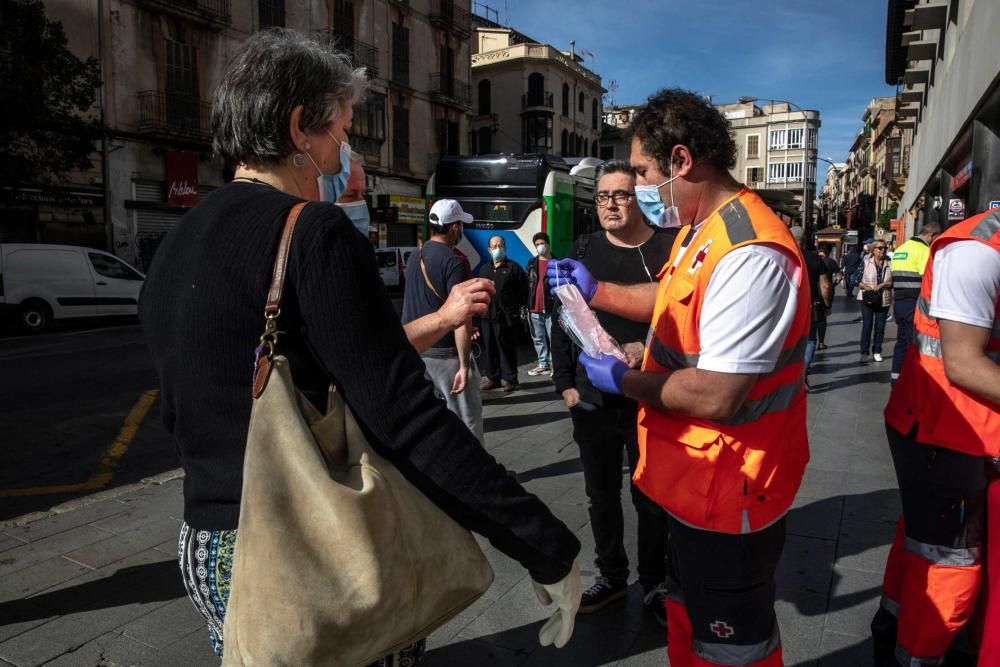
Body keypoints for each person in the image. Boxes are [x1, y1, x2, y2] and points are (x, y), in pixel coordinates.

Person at [138, 29, 581, 661]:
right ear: (300, 129)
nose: (343, 151)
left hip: (209, 548)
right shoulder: (312, 232)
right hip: (304, 544)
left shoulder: (178, 240)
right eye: (341, 134)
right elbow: (405, 415)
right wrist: (544, 544)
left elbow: (181, 406)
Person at [550, 88, 810, 667]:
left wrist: (621, 378)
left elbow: (717, 394)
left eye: (642, 171)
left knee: (733, 652)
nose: (639, 185)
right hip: (696, 484)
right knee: (692, 637)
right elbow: (669, 295)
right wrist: (598, 290)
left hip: (734, 487)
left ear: (682, 161)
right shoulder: (701, 228)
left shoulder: (749, 252)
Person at [872, 208, 1000, 666]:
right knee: (949, 566)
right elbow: (963, 364)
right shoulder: (977, 251)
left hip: (956, 432)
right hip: (943, 434)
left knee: (925, 548)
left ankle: (891, 639)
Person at [550, 159, 674, 626]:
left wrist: (646, 347)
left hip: (648, 395)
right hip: (593, 398)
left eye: (620, 195)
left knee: (650, 493)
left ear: (639, 198)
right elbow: (562, 319)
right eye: (603, 197)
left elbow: (685, 319)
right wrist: (565, 385)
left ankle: (656, 580)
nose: (610, 205)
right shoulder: (583, 249)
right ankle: (611, 574)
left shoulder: (667, 249)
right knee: (600, 494)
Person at [402, 199, 484, 443]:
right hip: (446, 355)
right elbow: (460, 319)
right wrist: (464, 365)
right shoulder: (454, 262)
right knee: (467, 419)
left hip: (417, 349)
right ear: (455, 228)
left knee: (428, 422)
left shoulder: (414, 256)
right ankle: (476, 476)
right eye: (460, 226)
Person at [889, 222, 941, 383]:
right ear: (932, 235)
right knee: (915, 343)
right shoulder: (925, 251)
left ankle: (896, 376)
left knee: (902, 340)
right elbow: (929, 279)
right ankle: (910, 379)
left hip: (898, 302)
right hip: (914, 302)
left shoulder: (901, 249)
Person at [479, 236, 527, 392]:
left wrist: (516, 309)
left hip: (506, 317)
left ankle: (510, 379)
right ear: (489, 250)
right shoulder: (485, 269)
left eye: (500, 245)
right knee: (490, 348)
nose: (497, 248)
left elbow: (524, 291)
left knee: (506, 349)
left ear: (505, 248)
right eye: (494, 246)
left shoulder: (514, 268)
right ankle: (494, 378)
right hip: (487, 317)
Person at [791, 228, 832, 390]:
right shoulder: (815, 259)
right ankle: (803, 373)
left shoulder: (784, 256)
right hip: (810, 306)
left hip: (787, 307)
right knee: (809, 340)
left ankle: (789, 375)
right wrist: (827, 304)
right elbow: (825, 284)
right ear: (805, 240)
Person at [858, 240, 893, 363]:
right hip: (868, 297)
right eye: (879, 248)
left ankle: (877, 351)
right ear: (873, 250)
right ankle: (864, 352)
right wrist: (866, 286)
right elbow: (857, 279)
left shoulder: (890, 264)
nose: (883, 250)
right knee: (867, 326)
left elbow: (892, 281)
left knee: (880, 327)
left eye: (884, 248)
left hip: (883, 298)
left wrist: (883, 285)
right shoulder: (866, 263)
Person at [526, 232, 555, 377]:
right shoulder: (531, 264)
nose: (540, 247)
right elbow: (527, 285)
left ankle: (555, 365)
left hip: (551, 308)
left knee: (553, 337)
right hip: (534, 308)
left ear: (548, 244)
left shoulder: (556, 263)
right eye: (537, 245)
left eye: (542, 244)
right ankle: (543, 364)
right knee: (538, 338)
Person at [817, 244, 840, 349]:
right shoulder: (831, 262)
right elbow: (840, 276)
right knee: (822, 318)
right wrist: (833, 284)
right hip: (827, 291)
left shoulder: (813, 260)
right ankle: (821, 342)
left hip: (813, 291)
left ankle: (810, 340)